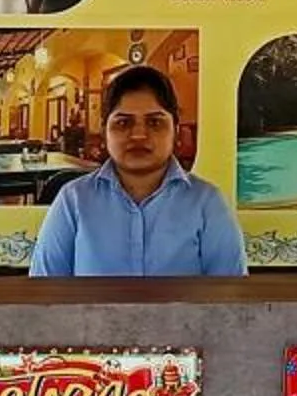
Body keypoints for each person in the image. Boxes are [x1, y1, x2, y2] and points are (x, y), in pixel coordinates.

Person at [29, 63, 247, 277]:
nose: (139, 135)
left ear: (176, 130)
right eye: (123, 123)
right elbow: (43, 294)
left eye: (154, 122)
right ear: (105, 130)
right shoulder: (73, 202)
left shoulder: (208, 204)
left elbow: (232, 300)